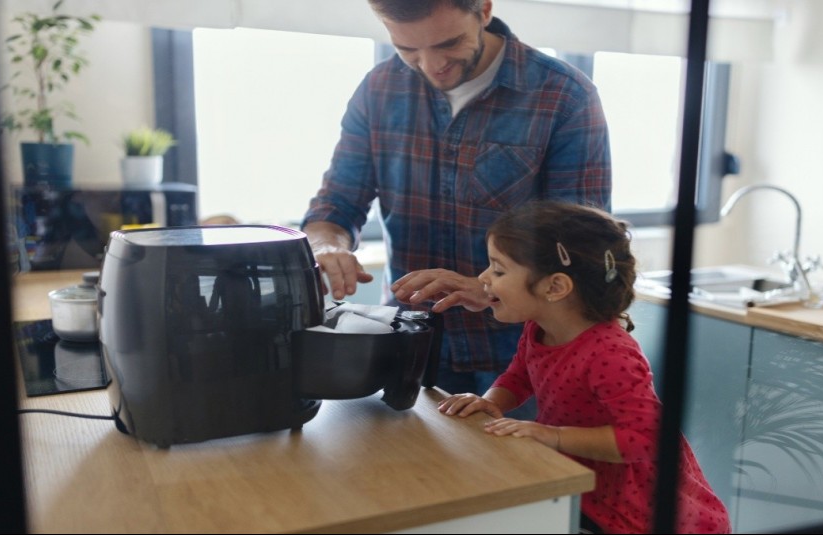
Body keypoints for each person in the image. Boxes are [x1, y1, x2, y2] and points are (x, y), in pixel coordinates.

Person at [300, 0, 611, 412]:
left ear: (483, 10)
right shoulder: (378, 90)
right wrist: (326, 248)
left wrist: (489, 288)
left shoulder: (564, 96)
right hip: (410, 343)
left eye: (448, 44)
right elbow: (336, 205)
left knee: (527, 475)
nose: (431, 66)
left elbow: (580, 249)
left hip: (524, 356)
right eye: (407, 50)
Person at [437, 200, 731, 534]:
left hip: (635, 509)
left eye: (498, 270)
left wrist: (553, 436)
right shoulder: (539, 328)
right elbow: (520, 376)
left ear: (555, 287)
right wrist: (492, 401)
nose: (483, 278)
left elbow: (646, 438)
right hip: (586, 487)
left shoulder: (609, 352)